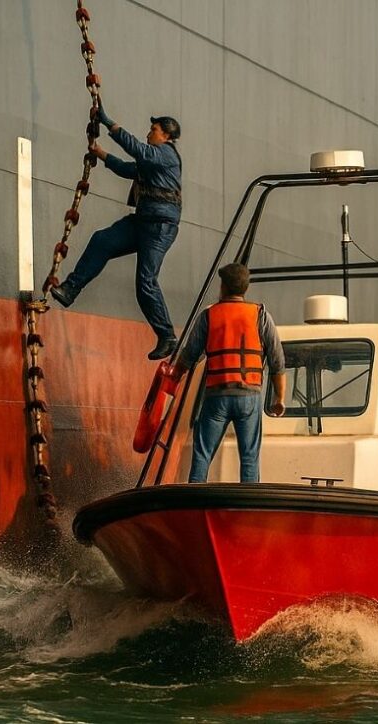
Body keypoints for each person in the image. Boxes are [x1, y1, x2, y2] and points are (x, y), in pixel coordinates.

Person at [50, 106, 183, 360]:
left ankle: (167, 335)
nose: (148, 133)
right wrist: (100, 154)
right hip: (143, 222)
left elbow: (138, 150)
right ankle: (70, 290)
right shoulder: (153, 161)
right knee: (102, 240)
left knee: (145, 282)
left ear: (166, 136)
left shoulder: (165, 154)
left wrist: (110, 124)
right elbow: (127, 169)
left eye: (153, 130)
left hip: (159, 227)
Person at [176, 263, 287, 483]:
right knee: (249, 457)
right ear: (245, 288)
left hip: (216, 397)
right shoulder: (260, 314)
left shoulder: (209, 315)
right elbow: (277, 360)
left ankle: (194, 501)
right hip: (249, 397)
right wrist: (279, 398)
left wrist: (173, 378)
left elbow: (189, 356)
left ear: (223, 287)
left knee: (203, 454)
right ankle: (249, 506)